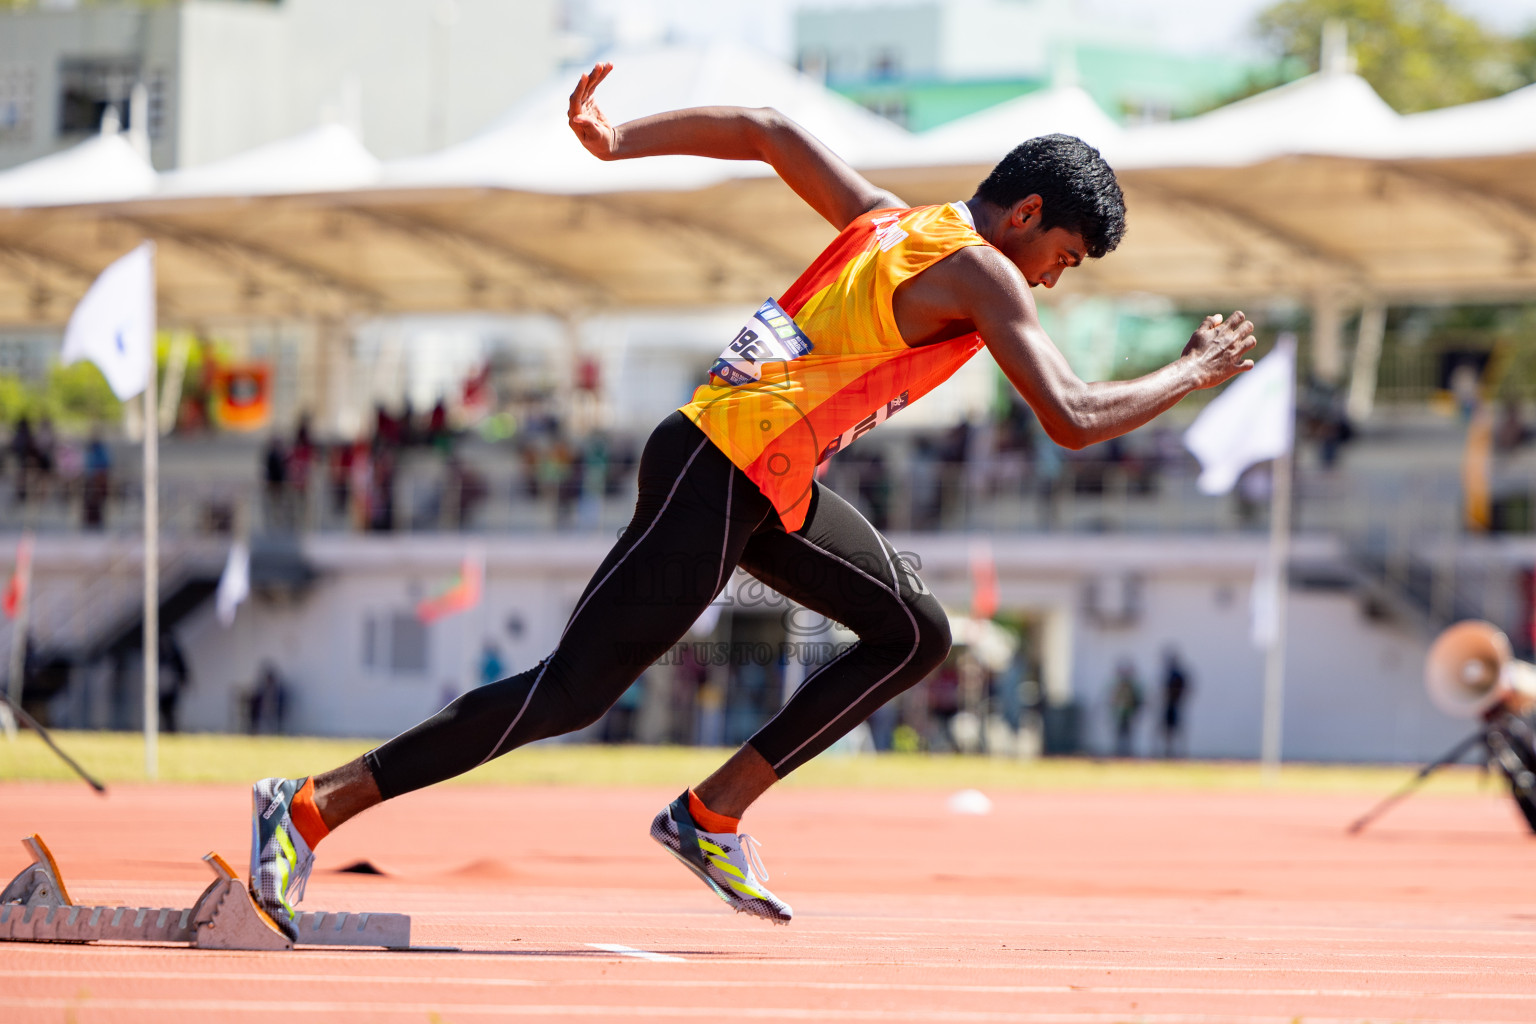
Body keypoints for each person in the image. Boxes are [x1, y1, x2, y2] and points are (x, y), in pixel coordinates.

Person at [247, 60, 1256, 937]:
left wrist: (617, 140)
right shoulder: (986, 270)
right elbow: (1072, 415)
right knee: (572, 691)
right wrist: (1189, 372)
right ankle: (306, 809)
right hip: (720, 469)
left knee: (914, 631)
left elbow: (768, 131)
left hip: (761, 481)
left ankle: (713, 813)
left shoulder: (891, 220)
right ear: (1028, 216)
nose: (1056, 281)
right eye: (1065, 259)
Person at [1160, 647, 1192, 758]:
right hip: (1168, 705)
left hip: (1175, 705)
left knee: (1177, 729)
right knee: (1167, 729)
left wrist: (1176, 697)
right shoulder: (1168, 673)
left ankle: (1179, 753)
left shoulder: (1177, 674)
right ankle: (1168, 752)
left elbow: (1183, 688)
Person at [1108, 658, 1142, 758]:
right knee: (1119, 733)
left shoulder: (1131, 686)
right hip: (1120, 713)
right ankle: (1118, 752)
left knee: (1128, 733)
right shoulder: (1119, 685)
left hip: (1128, 713)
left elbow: (1136, 699)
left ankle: (1128, 753)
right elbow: (1114, 699)